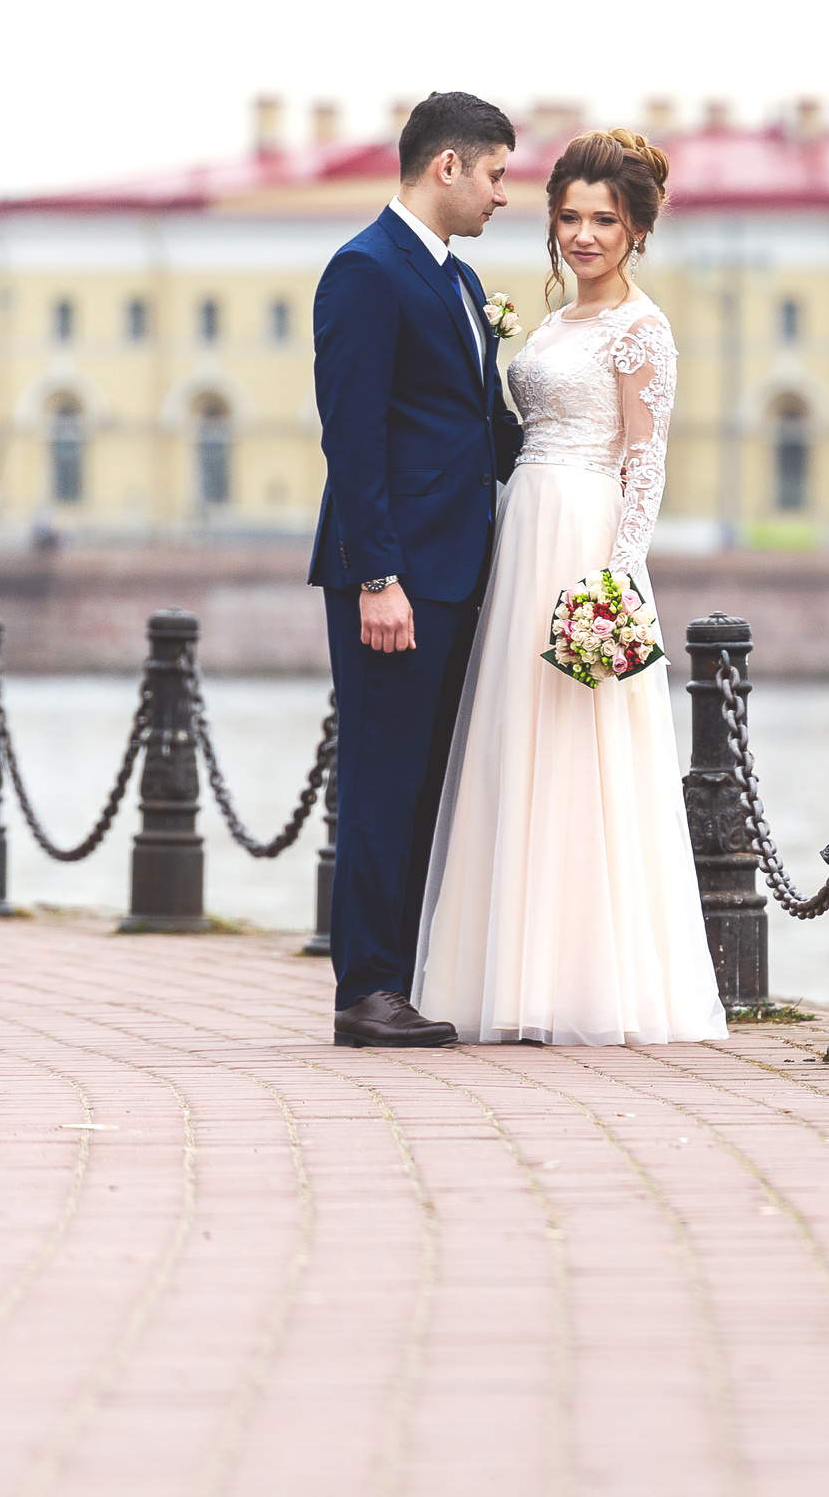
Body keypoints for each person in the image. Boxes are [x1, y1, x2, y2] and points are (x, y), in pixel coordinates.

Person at [413, 130, 726, 1045]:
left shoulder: (643, 329)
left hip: (586, 540)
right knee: (514, 740)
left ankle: (587, 981)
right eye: (571, 217)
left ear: (636, 231)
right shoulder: (549, 324)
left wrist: (618, 580)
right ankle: (504, 972)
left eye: (606, 220)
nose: (585, 235)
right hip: (523, 533)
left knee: (583, 752)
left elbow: (645, 461)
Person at [308, 91, 523, 1048]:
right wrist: (376, 577)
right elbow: (352, 441)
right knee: (384, 781)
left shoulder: (461, 282)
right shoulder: (364, 272)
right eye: (496, 173)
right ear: (448, 167)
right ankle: (367, 990)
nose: (502, 194)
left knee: (428, 781)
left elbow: (481, 426)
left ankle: (401, 975)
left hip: (457, 568)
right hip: (395, 579)